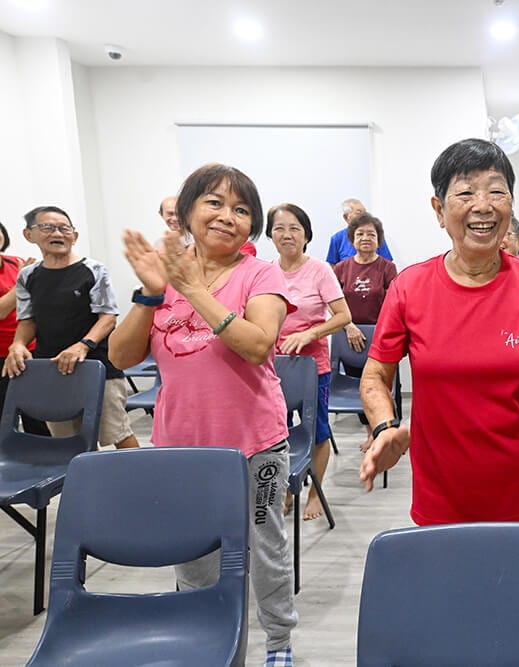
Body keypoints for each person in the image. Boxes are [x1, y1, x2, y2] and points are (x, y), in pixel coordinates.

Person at [358, 138, 519, 525]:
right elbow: (376, 374)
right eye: (465, 192)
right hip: (442, 494)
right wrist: (384, 426)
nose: (483, 205)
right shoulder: (409, 288)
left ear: (511, 205)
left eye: (496, 191)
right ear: (439, 210)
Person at [109, 163, 298, 666]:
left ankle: (278, 642)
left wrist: (192, 288)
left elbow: (257, 345)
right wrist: (151, 292)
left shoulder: (261, 273)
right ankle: (205, 639)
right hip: (180, 449)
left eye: (241, 210)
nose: (227, 216)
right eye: (214, 202)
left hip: (254, 444)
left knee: (265, 549)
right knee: (191, 553)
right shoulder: (163, 276)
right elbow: (121, 357)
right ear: (187, 211)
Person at [3, 206, 139, 451]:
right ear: (29, 234)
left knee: (118, 433)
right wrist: (18, 344)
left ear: (74, 236)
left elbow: (107, 318)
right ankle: (89, 487)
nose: (58, 233)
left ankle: (144, 485)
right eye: (47, 227)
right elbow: (28, 320)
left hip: (99, 366)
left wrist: (83, 345)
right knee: (67, 443)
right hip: (52, 368)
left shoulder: (93, 270)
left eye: (64, 228)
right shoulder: (27, 276)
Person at [266, 203, 352, 521]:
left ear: (306, 235)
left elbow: (344, 316)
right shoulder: (265, 272)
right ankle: (286, 488)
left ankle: (314, 492)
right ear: (270, 235)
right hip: (274, 366)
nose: (287, 235)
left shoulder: (319, 270)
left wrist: (309, 333)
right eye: (279, 228)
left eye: (294, 229)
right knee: (278, 432)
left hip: (313, 367)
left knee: (316, 431)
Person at [332, 212, 398, 450]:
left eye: (371, 234)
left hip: (380, 337)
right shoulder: (340, 268)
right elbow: (332, 303)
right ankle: (372, 427)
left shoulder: (387, 268)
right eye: (360, 234)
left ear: (379, 240)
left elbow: (394, 304)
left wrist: (379, 333)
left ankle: (375, 434)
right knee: (356, 386)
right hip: (349, 338)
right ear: (352, 239)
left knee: (377, 387)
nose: (365, 238)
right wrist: (348, 326)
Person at [0, 220, 47, 435]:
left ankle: (44, 463)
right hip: (2, 353)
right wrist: (22, 280)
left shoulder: (15, 262)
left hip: (29, 347)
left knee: (37, 414)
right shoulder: (21, 270)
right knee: (4, 417)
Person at [325, 198, 393, 266]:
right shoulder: (337, 238)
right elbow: (333, 266)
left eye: (365, 213)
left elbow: (387, 263)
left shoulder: (375, 235)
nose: (363, 216)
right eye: (359, 213)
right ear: (346, 217)